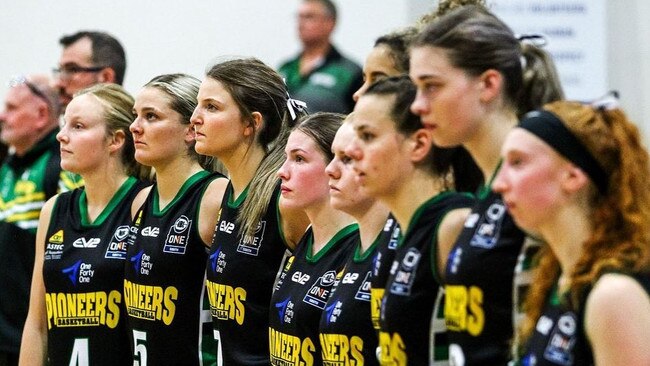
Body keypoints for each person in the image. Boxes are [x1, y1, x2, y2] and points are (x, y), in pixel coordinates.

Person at [408, 5, 564, 365]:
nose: (417, 105)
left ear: (488, 84)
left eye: (432, 86)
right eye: (416, 87)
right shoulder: (486, 186)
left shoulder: (538, 177)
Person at [493, 101, 650, 365]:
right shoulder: (559, 278)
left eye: (517, 162)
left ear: (572, 176)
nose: (499, 184)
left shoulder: (613, 296)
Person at [346, 75, 476, 364]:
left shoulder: (453, 224)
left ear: (418, 144)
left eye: (367, 136)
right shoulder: (402, 230)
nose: (353, 152)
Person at [19, 83, 150, 366]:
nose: (61, 136)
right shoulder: (54, 209)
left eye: (77, 127)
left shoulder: (144, 203)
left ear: (115, 140)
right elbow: (37, 324)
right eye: (65, 124)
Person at [191, 57, 310, 364]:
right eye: (197, 105)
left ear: (251, 123)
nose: (195, 118)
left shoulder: (284, 201)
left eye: (211, 107)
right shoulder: (225, 193)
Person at [124, 73, 228, 366]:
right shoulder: (141, 201)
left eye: (151, 116)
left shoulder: (213, 195)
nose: (135, 127)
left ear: (190, 130)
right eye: (136, 116)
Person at [0, 74, 79, 366]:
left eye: (11, 108)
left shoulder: (62, 166)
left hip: (33, 332)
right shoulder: (8, 166)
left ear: (41, 115)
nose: (2, 116)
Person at [270, 112, 358, 365]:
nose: (282, 172)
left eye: (299, 159)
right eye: (286, 158)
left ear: (336, 167)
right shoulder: (305, 235)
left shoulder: (358, 246)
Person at [316, 118, 390, 365]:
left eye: (347, 159)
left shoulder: (396, 248)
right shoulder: (351, 248)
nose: (330, 169)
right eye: (333, 156)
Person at [279, 0, 362, 114]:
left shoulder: (350, 72)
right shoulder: (285, 68)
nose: (300, 24)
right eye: (299, 17)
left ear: (330, 23)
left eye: (309, 17)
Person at [54, 31, 126, 111]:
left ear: (106, 78)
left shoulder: (138, 123)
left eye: (72, 70)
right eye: (60, 70)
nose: (58, 84)